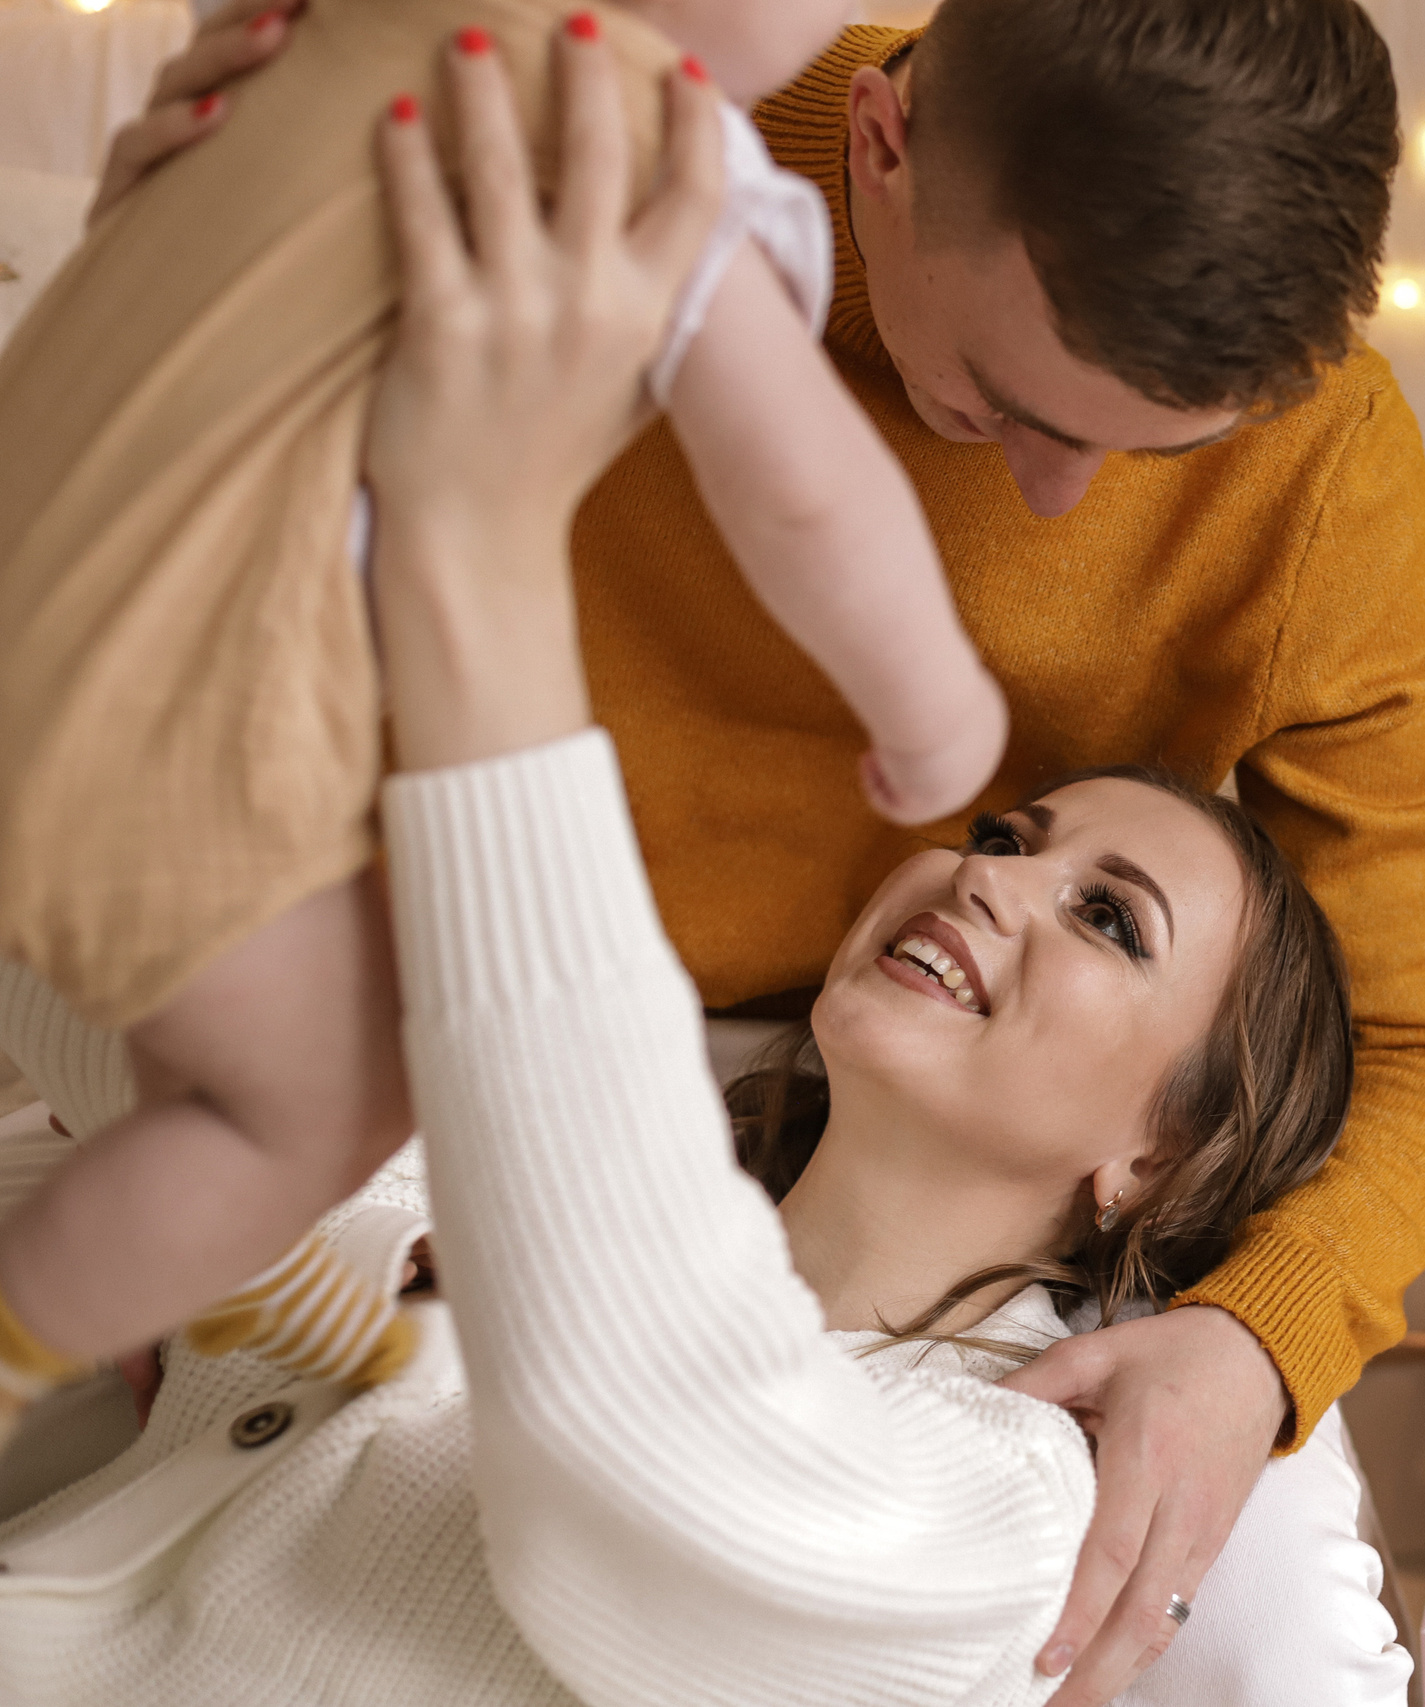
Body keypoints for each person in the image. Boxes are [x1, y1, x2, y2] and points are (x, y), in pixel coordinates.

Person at [118, 5, 1425, 1699]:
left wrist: (1253, 1340)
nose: (1064, 501)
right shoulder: (574, 143)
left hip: (917, 1098)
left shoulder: (1319, 464)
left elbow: (1422, 1038)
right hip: (435, 967)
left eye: (1153, 448)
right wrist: (153, 290)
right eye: (1009, 404)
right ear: (880, 148)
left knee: (1273, 1626)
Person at [0, 0, 1021, 1444]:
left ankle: (234, 1264)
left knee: (330, 976)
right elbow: (807, 497)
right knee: (317, 1094)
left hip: (43, 569)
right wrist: (942, 714)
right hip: (149, 698)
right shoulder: (643, 151)